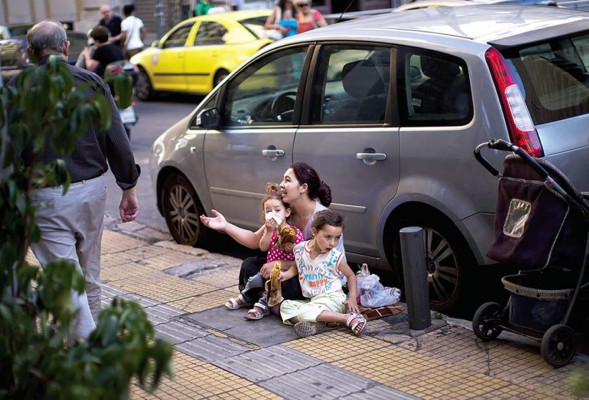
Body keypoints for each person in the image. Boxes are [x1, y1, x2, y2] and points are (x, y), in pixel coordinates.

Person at [18, 20, 140, 340]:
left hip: (44, 197)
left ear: (30, 53)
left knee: (68, 283)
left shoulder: (17, 89)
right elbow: (117, 138)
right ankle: (85, 346)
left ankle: (87, 356)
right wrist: (128, 187)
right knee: (87, 277)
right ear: (66, 48)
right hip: (93, 190)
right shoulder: (91, 82)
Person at [199, 163, 345, 307]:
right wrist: (225, 226)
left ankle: (264, 297)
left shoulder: (322, 219)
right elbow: (255, 239)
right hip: (292, 267)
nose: (281, 185)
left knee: (292, 283)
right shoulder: (285, 211)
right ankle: (270, 299)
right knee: (250, 265)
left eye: (287, 180)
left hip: (321, 276)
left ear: (303, 188)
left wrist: (280, 264)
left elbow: (321, 263)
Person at [279, 210, 365, 338]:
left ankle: (348, 318)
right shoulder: (299, 249)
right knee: (285, 306)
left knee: (304, 312)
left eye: (337, 238)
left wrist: (351, 298)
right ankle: (319, 324)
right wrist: (286, 275)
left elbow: (351, 275)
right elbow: (297, 266)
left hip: (333, 299)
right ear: (314, 232)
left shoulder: (335, 256)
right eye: (328, 237)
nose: (333, 243)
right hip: (314, 300)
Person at [225, 184, 304, 320]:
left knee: (277, 283)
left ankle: (262, 306)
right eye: (268, 211)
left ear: (287, 212)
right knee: (254, 279)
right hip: (267, 269)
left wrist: (291, 247)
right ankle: (245, 296)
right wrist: (268, 231)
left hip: (283, 272)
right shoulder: (270, 230)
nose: (272, 214)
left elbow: (301, 259)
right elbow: (262, 247)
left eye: (277, 210)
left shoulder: (294, 232)